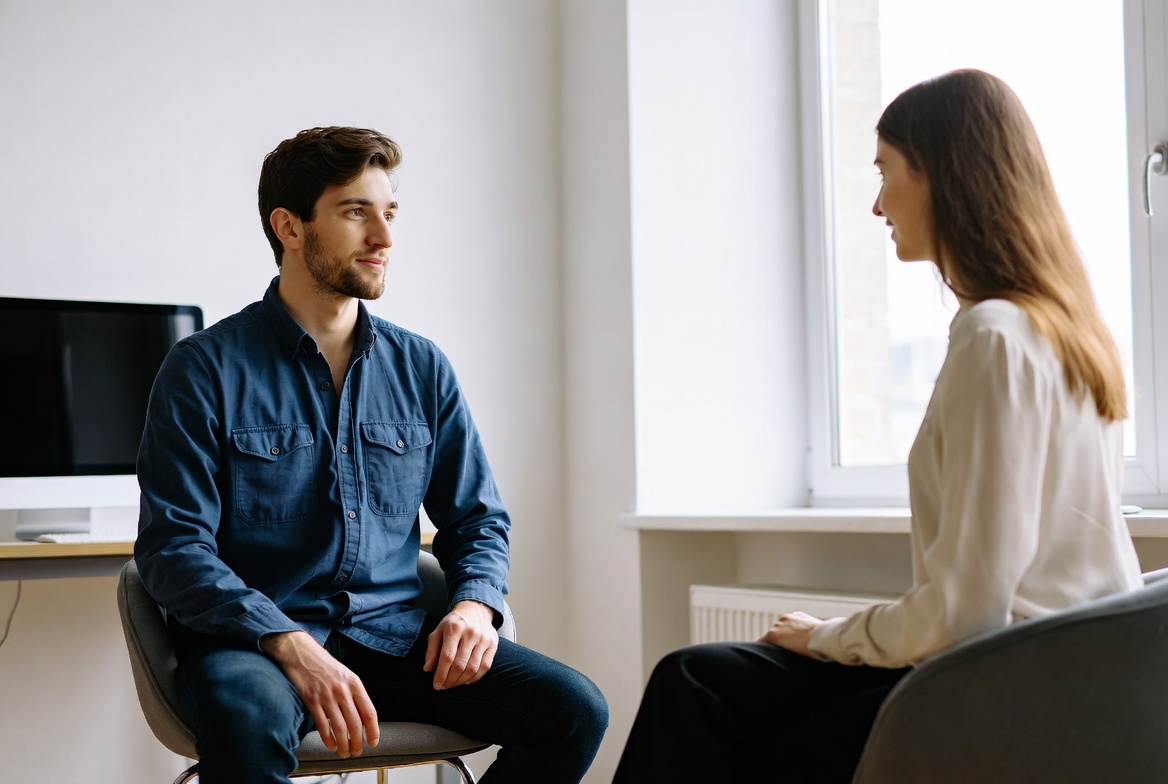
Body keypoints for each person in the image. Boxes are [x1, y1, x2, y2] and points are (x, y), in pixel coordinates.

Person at [612, 69, 1143, 783]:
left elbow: (966, 612)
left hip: (1001, 691)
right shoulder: (1066, 331)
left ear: (939, 175)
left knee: (698, 690)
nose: (877, 203)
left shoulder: (994, 336)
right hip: (1071, 678)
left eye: (885, 172)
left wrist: (828, 637)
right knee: (707, 683)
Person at [135, 126, 608, 784]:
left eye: (389, 213)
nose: (384, 237)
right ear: (289, 227)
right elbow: (173, 548)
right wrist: (289, 643)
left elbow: (477, 518)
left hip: (394, 637)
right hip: (259, 644)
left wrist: (475, 605)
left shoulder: (422, 367)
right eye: (357, 212)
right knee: (243, 716)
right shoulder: (203, 369)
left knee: (574, 710)